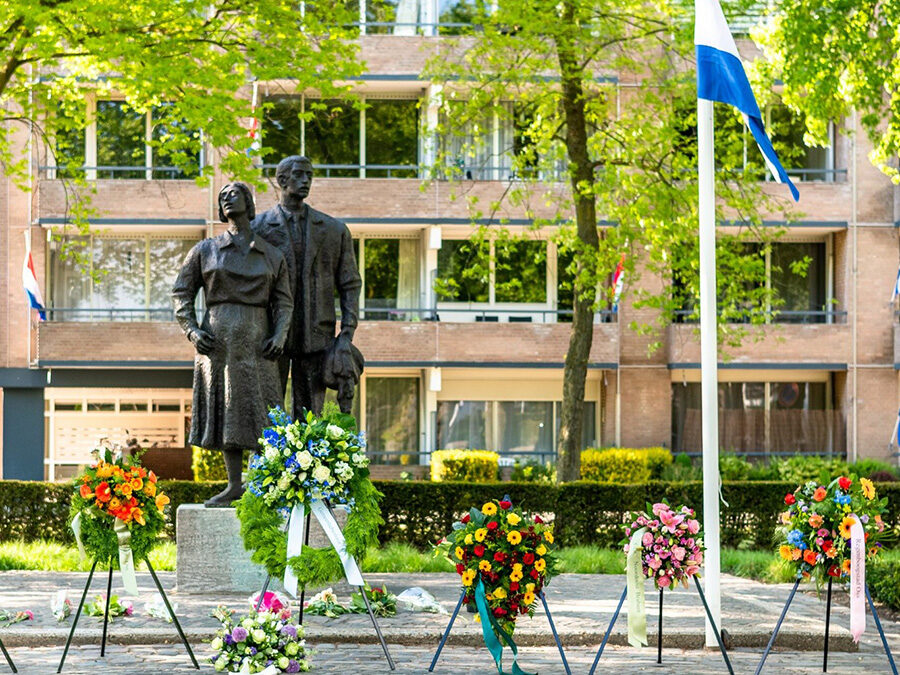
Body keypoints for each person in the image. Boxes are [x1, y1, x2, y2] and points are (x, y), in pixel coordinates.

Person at [173, 181, 292, 507]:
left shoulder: (271, 254)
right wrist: (192, 331)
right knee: (228, 411)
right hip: (218, 342)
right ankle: (235, 484)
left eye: (233, 194)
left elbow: (284, 303)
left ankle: (263, 482)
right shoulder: (205, 250)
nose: (227, 198)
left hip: (258, 341)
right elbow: (181, 293)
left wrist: (280, 334)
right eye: (222, 196)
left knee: (261, 409)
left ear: (249, 203)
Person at [253, 155, 363, 417]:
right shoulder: (258, 229)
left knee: (310, 416)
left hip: (317, 334)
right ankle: (267, 459)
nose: (306, 181)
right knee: (268, 412)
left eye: (309, 176)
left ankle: (310, 460)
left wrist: (347, 332)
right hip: (271, 333)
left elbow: (350, 283)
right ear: (281, 180)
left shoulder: (334, 230)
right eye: (299, 175)